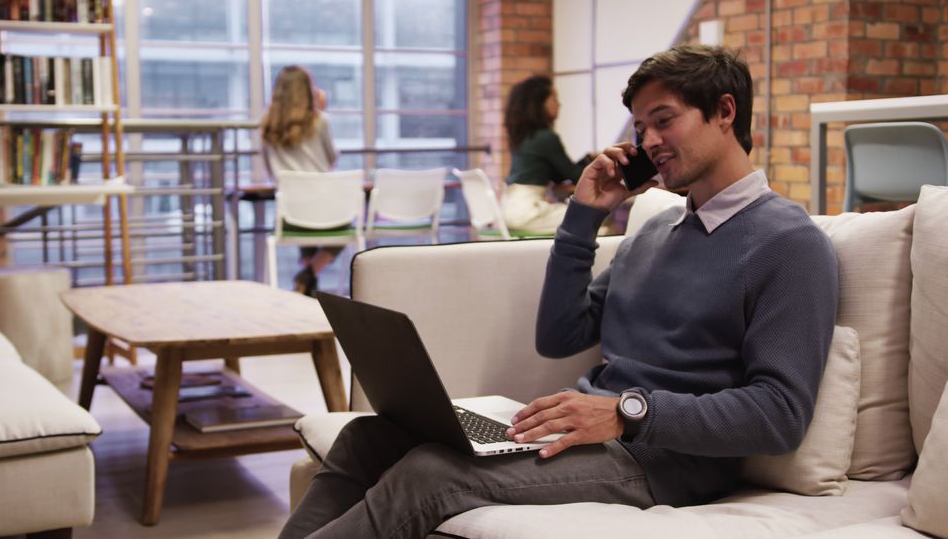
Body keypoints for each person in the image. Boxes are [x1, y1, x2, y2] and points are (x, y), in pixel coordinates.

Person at [281, 45, 839, 538]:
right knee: (364, 440)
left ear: (724, 112)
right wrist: (582, 218)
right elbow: (558, 335)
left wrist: (627, 412)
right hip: (591, 437)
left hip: (663, 460)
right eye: (640, 127)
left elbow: (780, 413)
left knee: (430, 474)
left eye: (663, 120)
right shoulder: (653, 230)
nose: (648, 142)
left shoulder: (787, 243)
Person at [260, 65, 339, 296]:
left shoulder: (266, 126)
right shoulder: (320, 121)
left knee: (305, 209)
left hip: (290, 215)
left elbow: (270, 172)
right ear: (308, 90)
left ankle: (308, 281)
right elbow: (331, 159)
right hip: (324, 211)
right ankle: (309, 273)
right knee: (348, 227)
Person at [501, 75, 589, 233]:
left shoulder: (525, 137)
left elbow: (559, 175)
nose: (559, 104)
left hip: (509, 209)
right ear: (539, 104)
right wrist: (592, 160)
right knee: (595, 221)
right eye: (554, 98)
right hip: (527, 212)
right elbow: (576, 175)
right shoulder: (545, 137)